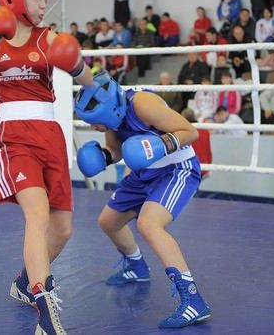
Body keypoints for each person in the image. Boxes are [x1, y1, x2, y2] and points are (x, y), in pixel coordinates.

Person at [0, 0, 93, 335]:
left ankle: (23, 283)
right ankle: (45, 312)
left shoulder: (49, 38)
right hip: (14, 137)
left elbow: (88, 82)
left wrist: (78, 65)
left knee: (62, 230)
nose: (44, 5)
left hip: (50, 134)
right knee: (37, 215)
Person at [74, 72, 211, 329]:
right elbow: (117, 149)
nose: (94, 127)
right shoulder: (112, 118)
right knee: (108, 222)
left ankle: (194, 301)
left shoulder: (144, 104)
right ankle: (137, 267)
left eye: (96, 122)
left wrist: (159, 145)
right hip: (142, 173)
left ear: (110, 110)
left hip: (175, 169)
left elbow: (190, 132)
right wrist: (103, 157)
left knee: (149, 225)